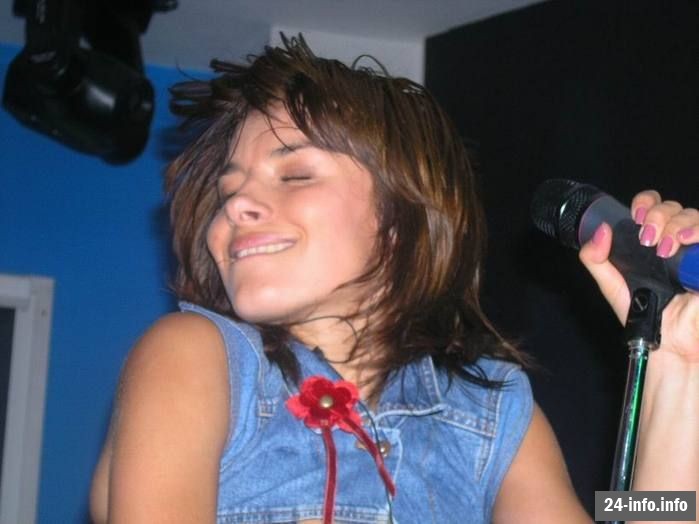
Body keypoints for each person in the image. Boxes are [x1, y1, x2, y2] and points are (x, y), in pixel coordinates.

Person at [89, 35, 699, 523]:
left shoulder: (493, 410)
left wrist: (676, 368)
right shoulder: (194, 359)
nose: (238, 206)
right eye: (229, 192)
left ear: (399, 224)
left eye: (294, 175)